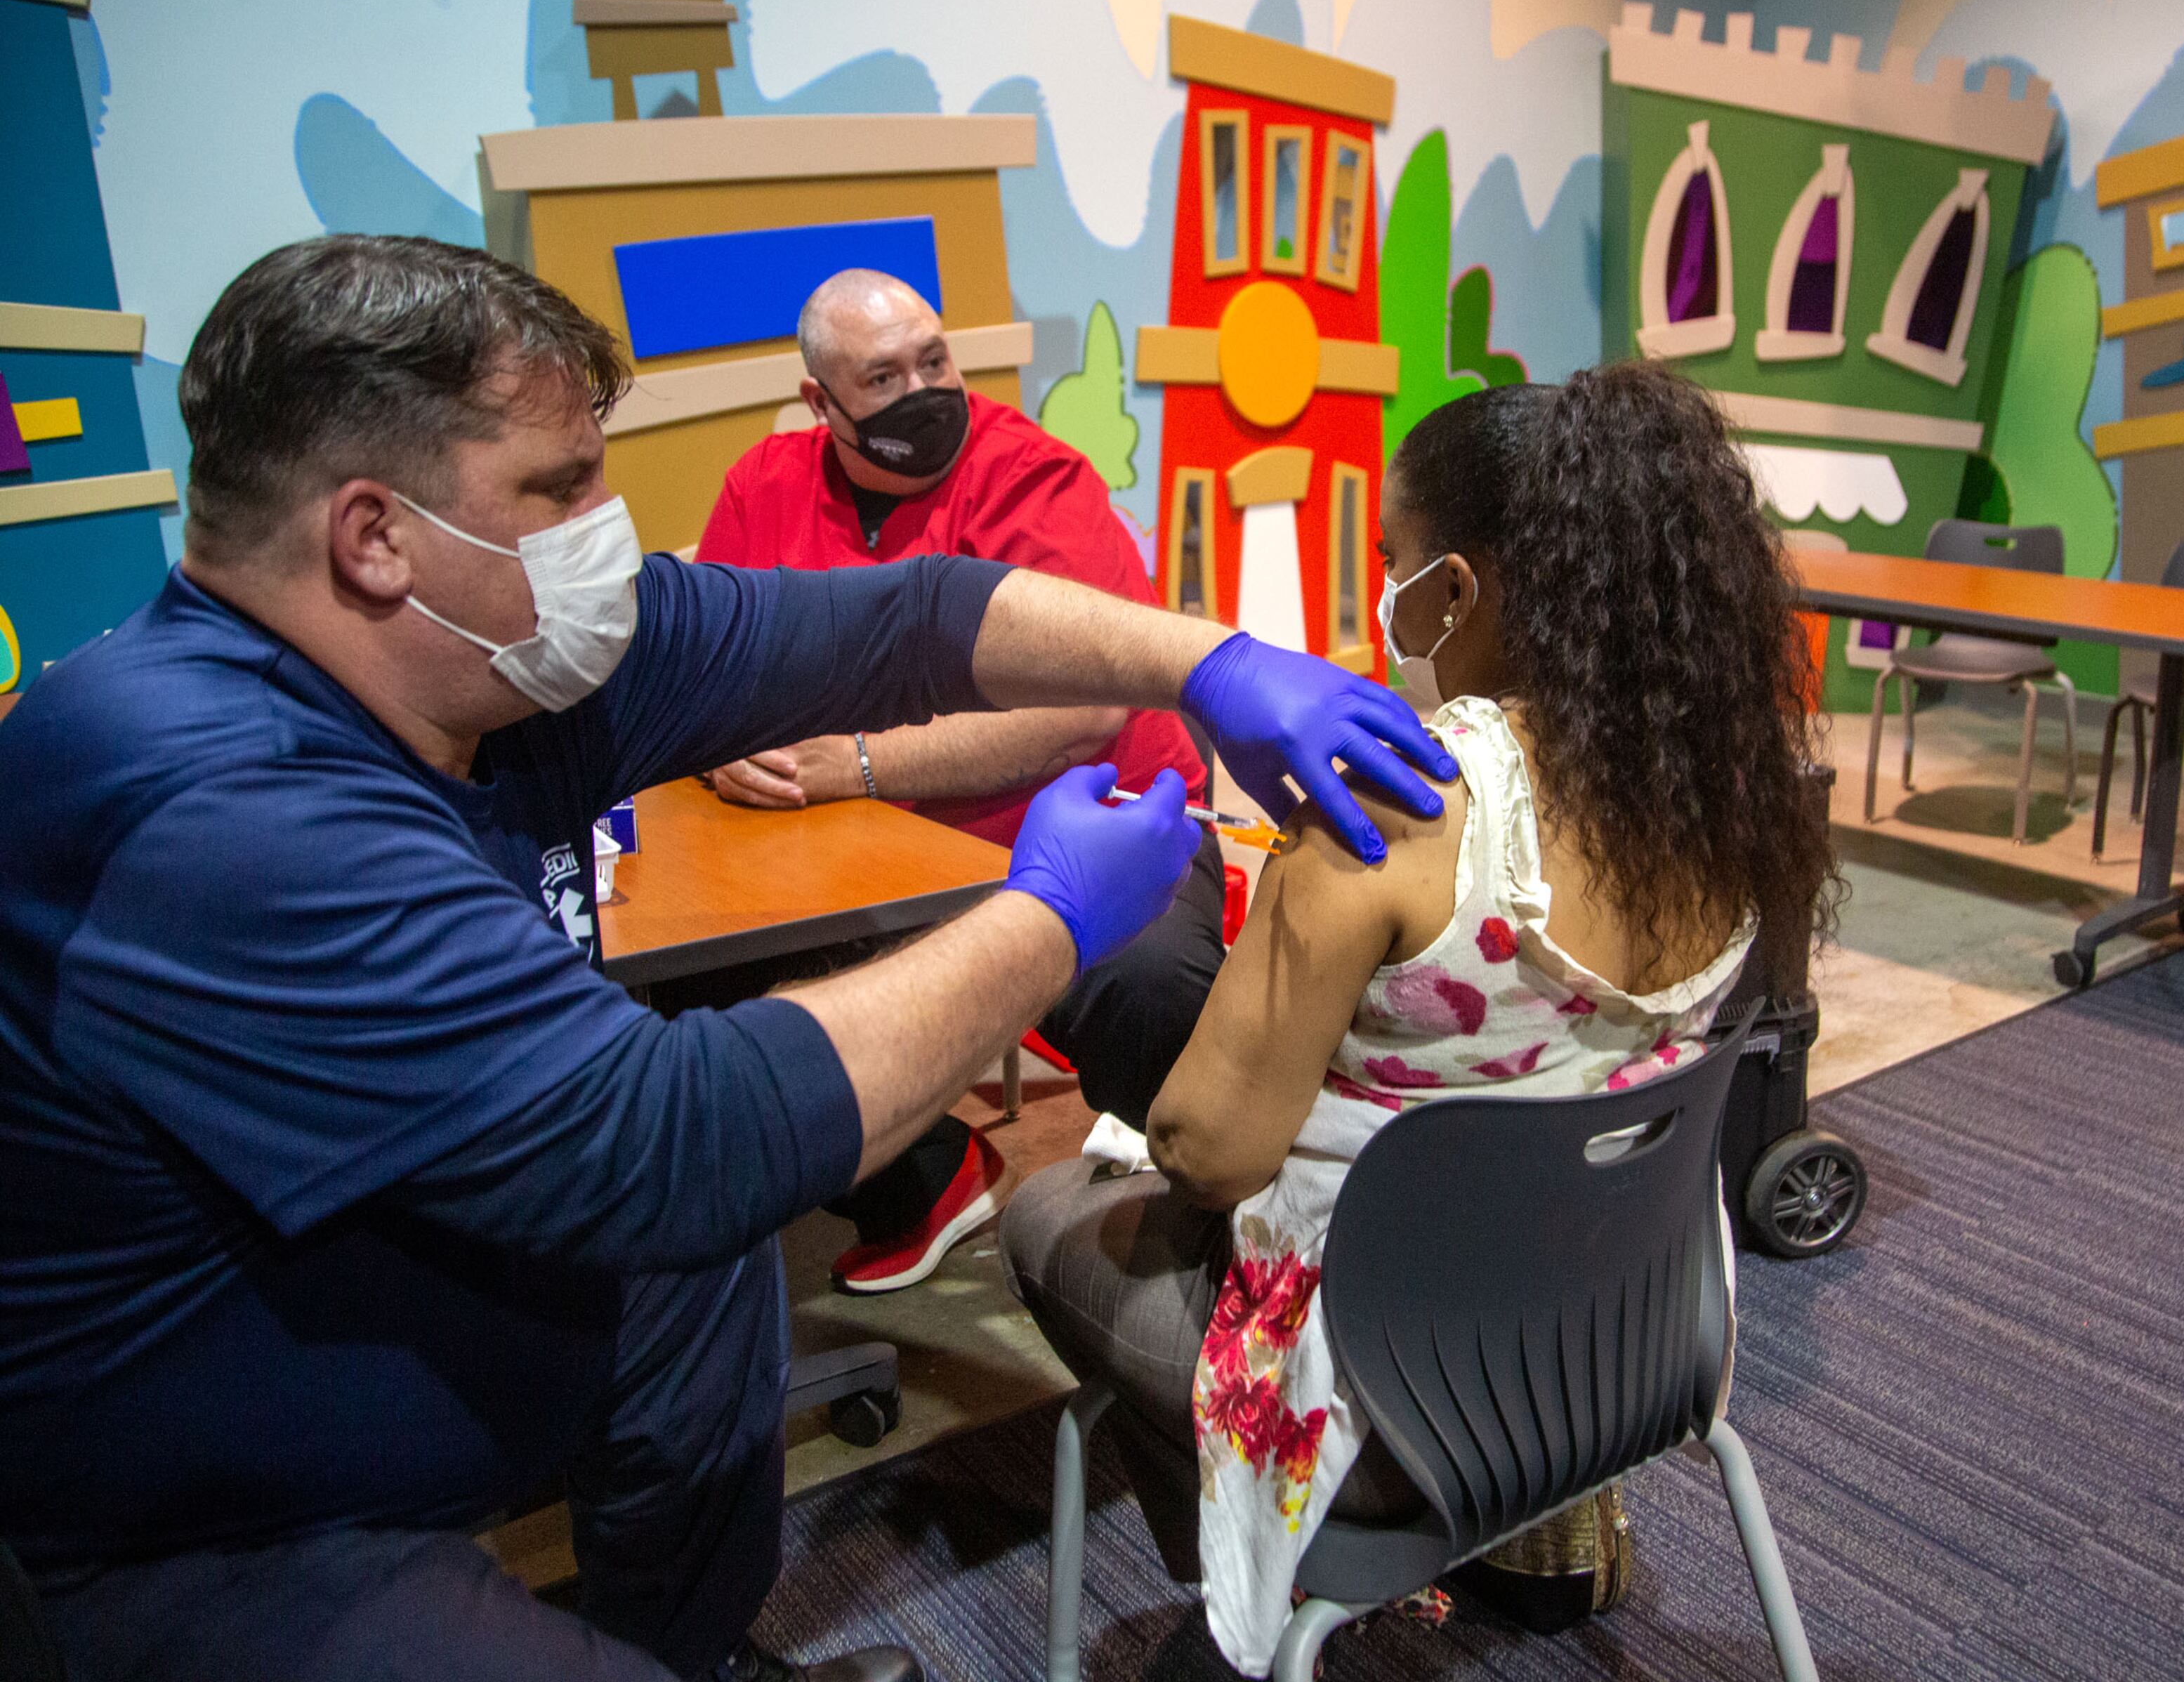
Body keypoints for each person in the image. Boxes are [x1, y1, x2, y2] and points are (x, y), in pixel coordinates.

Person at [0, 235, 1456, 1682]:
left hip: (426, 1300)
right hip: (220, 1519)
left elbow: (912, 615)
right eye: (561, 489)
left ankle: (688, 1645)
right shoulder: (212, 805)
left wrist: (1202, 664)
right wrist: (1050, 917)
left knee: (696, 1272)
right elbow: (665, 1133)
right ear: (374, 535)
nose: (607, 526)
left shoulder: (482, 661)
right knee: (691, 1194)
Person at [999, 364, 1838, 1674]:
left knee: (1046, 1215)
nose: (1381, 596)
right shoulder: (1727, 790)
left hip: (1405, 1394)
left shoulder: (1390, 803)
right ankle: (1519, 1531)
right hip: (1632, 1343)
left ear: (1459, 588)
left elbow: (1211, 1150)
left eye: (1393, 561)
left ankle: (1271, 1593)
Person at [692, 270, 1218, 1294]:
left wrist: (855, 763)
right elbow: (709, 661)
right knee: (710, 977)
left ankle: (1212, 1225)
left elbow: (1081, 714)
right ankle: (921, 1177)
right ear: (820, 404)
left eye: (934, 359)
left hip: (1097, 823)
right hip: (858, 850)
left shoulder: (1035, 480)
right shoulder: (763, 486)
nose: (924, 391)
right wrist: (718, 737)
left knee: (1149, 982)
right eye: (882, 377)